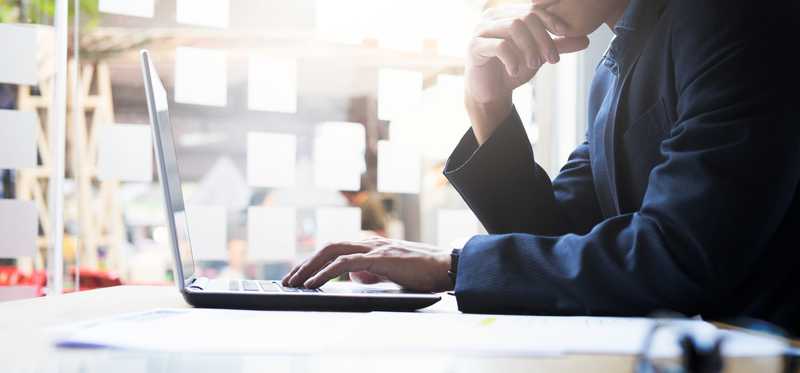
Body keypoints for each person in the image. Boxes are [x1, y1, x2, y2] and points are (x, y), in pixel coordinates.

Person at [284, 0, 800, 334]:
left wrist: (453, 266)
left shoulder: (731, 17)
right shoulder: (618, 67)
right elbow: (553, 238)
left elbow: (679, 257)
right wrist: (487, 105)